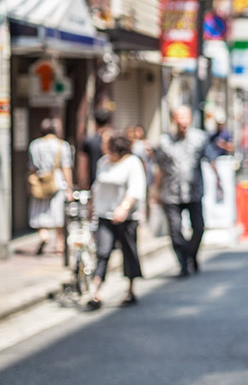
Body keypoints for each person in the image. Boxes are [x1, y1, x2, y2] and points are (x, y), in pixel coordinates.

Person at [155, 106, 220, 277]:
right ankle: (183, 263)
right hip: (170, 192)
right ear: (173, 120)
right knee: (175, 232)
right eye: (179, 117)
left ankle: (192, 255)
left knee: (198, 228)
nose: (182, 121)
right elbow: (159, 168)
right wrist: (155, 190)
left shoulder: (200, 138)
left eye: (185, 117)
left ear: (191, 118)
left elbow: (211, 158)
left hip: (194, 191)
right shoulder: (164, 141)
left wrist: (218, 179)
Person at [86, 131, 146, 310]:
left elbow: (136, 188)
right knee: (102, 252)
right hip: (105, 215)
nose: (102, 147)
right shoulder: (103, 162)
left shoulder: (132, 162)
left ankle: (130, 290)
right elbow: (96, 186)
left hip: (127, 217)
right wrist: (91, 205)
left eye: (106, 144)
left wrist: (124, 208)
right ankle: (96, 292)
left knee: (129, 252)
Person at [27, 118, 74, 256]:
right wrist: (69, 188)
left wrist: (29, 183)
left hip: (40, 180)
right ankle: (60, 244)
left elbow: (31, 167)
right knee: (58, 212)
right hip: (57, 180)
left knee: (39, 210)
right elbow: (66, 168)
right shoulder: (62, 145)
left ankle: (43, 235)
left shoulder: (34, 145)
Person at [81, 103, 113, 188]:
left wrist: (83, 180)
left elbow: (84, 163)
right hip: (111, 179)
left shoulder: (90, 141)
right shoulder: (114, 140)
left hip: (95, 179)